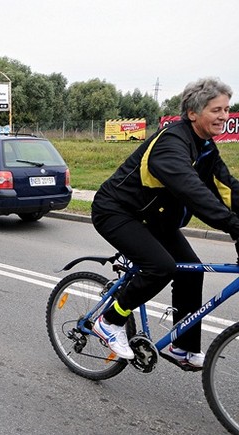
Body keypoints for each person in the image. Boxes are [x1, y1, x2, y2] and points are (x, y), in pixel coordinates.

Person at [91, 77, 239, 366]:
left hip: (153, 218)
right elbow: (193, 191)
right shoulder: (170, 144)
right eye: (216, 110)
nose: (224, 116)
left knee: (192, 270)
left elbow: (228, 190)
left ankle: (180, 346)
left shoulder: (205, 147)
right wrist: (233, 226)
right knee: (160, 267)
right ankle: (109, 322)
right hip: (117, 211)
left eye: (226, 109)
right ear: (194, 113)